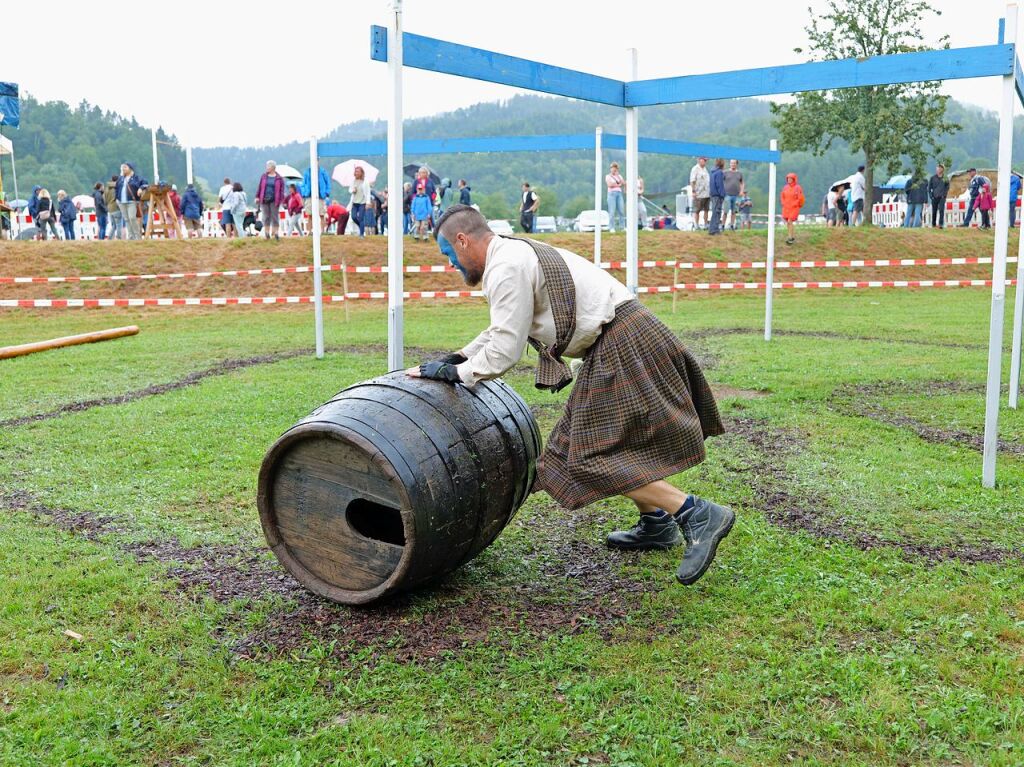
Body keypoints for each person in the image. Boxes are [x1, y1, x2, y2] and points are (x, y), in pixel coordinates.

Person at [407, 204, 732, 585]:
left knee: (585, 455)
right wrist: (459, 356)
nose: (452, 265)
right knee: (614, 443)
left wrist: (456, 373)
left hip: (622, 342)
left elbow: (505, 351)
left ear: (462, 240)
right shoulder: (513, 252)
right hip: (627, 335)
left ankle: (694, 512)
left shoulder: (504, 267)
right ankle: (656, 523)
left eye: (449, 255)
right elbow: (505, 328)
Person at [115, 163, 145, 240]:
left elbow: (145, 183)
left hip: (131, 201)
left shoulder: (136, 178)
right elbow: (117, 188)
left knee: (132, 218)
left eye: (125, 167)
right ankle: (131, 237)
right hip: (121, 201)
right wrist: (117, 199)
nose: (123, 169)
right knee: (127, 219)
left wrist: (141, 188)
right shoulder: (121, 178)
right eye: (122, 167)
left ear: (130, 168)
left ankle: (137, 236)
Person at [256, 161, 284, 239]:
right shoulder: (264, 176)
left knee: (275, 216)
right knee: (266, 216)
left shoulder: (279, 178)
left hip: (275, 199)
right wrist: (257, 196)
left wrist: (281, 199)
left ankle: (276, 233)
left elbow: (282, 190)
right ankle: (267, 233)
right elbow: (260, 187)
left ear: (273, 167)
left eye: (268, 166)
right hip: (264, 199)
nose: (267, 167)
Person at [300, 165, 330, 232]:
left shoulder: (323, 172)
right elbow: (303, 184)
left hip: (320, 195)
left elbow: (327, 182)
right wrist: (304, 193)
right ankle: (309, 231)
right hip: (309, 195)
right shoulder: (307, 172)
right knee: (309, 215)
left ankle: (323, 231)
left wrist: (326, 192)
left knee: (322, 214)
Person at [781, 172, 805, 244]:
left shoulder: (798, 187)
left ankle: (790, 237)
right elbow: (782, 196)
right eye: (788, 179)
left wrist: (796, 203)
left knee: (790, 221)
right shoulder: (785, 187)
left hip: (794, 207)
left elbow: (800, 197)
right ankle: (791, 235)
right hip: (786, 207)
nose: (789, 180)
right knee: (788, 222)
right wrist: (783, 203)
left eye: (790, 179)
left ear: (794, 179)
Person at [411, 168, 435, 240]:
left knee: (429, 220)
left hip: (428, 202)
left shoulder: (430, 181)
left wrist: (432, 198)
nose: (422, 174)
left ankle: (428, 234)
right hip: (418, 203)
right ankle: (417, 235)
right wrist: (416, 199)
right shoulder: (416, 182)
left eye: (424, 172)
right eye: (421, 173)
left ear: (427, 174)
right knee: (417, 223)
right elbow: (412, 192)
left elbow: (434, 192)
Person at [721, 159, 744, 230]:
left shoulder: (739, 173)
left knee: (734, 211)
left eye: (734, 163)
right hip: (727, 194)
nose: (733, 164)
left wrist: (741, 191)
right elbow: (721, 181)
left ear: (736, 164)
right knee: (725, 211)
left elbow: (742, 183)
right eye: (731, 163)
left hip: (736, 195)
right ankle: (722, 225)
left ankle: (731, 225)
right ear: (730, 164)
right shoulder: (725, 172)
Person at [349, 165, 371, 237]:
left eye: (358, 171)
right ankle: (361, 227)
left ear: (361, 173)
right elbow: (349, 190)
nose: (356, 173)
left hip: (362, 202)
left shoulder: (365, 182)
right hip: (354, 202)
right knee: (354, 217)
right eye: (355, 171)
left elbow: (368, 193)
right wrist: (353, 190)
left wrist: (368, 203)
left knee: (361, 218)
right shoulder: (353, 181)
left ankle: (361, 234)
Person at [689, 157, 710, 229]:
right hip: (698, 193)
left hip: (707, 193)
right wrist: (693, 191)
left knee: (706, 209)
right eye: (704, 160)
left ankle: (705, 224)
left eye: (705, 160)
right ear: (699, 160)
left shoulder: (705, 169)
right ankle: (696, 225)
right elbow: (692, 181)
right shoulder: (695, 169)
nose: (705, 161)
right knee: (697, 210)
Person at [928, 164, 949, 229]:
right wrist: (931, 196)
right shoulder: (932, 178)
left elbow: (947, 187)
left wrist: (944, 195)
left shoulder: (945, 178)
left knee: (941, 210)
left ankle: (941, 224)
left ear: (943, 169)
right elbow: (929, 188)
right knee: (934, 211)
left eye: (940, 168)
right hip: (934, 196)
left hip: (942, 197)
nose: (939, 169)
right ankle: (933, 224)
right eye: (938, 168)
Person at [708, 159, 725, 236]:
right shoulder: (719, 172)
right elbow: (719, 185)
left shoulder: (712, 172)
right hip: (718, 195)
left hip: (712, 194)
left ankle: (712, 229)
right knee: (717, 212)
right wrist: (722, 195)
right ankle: (714, 230)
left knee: (714, 212)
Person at [606, 161, 625, 231]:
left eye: (615, 168)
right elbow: (609, 185)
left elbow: (623, 183)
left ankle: (622, 227)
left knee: (621, 211)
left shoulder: (619, 176)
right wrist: (618, 185)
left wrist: (618, 177)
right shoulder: (608, 176)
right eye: (613, 168)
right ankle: (611, 227)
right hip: (611, 194)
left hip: (619, 194)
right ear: (611, 168)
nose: (614, 169)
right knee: (612, 211)